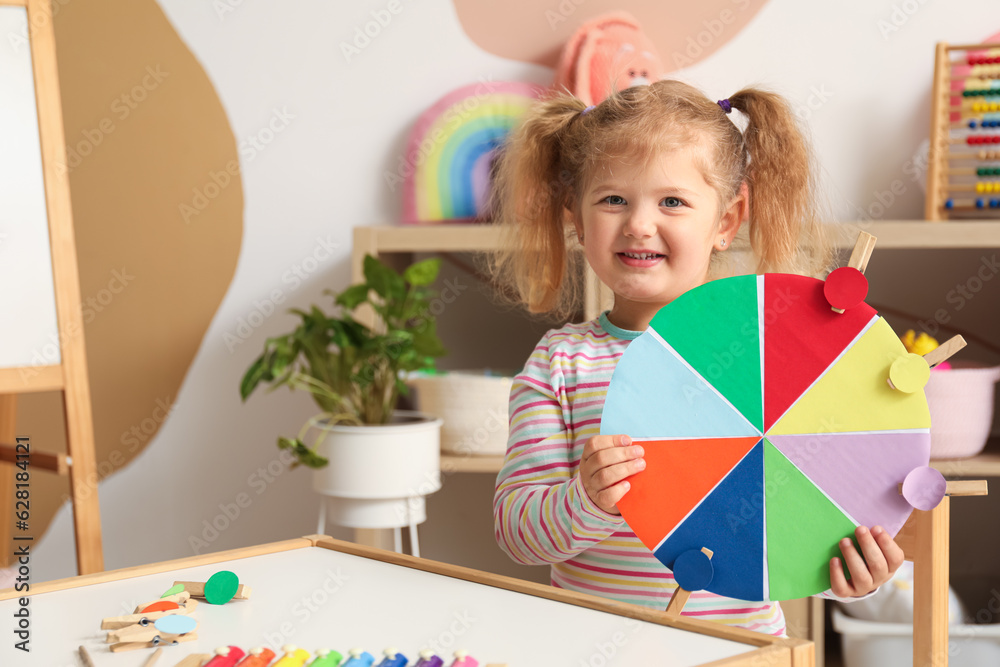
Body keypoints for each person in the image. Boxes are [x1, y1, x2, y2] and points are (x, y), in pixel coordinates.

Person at [487, 80, 904, 636]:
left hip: (739, 648)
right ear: (575, 216)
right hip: (592, 647)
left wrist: (851, 569)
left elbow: (800, 510)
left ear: (726, 221)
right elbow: (517, 534)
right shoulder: (560, 364)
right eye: (613, 199)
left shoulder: (770, 356)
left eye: (672, 202)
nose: (638, 223)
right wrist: (586, 500)